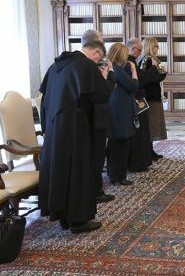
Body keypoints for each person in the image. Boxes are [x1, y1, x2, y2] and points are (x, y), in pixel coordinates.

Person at [39, 30, 111, 233]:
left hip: (54, 127)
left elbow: (45, 96)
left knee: (61, 170)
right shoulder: (85, 65)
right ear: (95, 52)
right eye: (99, 57)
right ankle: (79, 220)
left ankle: (62, 215)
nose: (99, 61)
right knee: (78, 171)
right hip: (75, 127)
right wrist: (104, 77)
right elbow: (101, 95)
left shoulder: (56, 65)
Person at [84, 31, 116, 204]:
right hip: (95, 117)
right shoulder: (89, 66)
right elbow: (105, 89)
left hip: (99, 115)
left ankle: (96, 188)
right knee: (96, 157)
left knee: (98, 155)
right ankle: (96, 191)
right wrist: (110, 73)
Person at [106, 43, 138, 186]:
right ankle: (118, 176)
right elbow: (133, 85)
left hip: (119, 107)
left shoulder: (114, 67)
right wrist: (134, 70)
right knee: (120, 143)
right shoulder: (117, 69)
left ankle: (116, 174)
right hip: (120, 109)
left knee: (118, 143)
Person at [126, 38, 157, 172]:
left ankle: (143, 160)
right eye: (139, 50)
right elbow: (139, 80)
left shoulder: (132, 61)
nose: (140, 52)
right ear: (132, 49)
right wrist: (154, 69)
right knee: (140, 132)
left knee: (143, 131)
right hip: (136, 99)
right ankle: (139, 162)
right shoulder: (129, 62)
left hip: (139, 98)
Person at [139, 38, 168, 159]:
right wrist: (163, 73)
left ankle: (150, 151)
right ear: (150, 47)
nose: (158, 48)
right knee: (151, 125)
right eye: (156, 46)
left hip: (151, 96)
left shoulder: (147, 59)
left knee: (152, 124)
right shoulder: (148, 60)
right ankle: (149, 152)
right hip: (150, 97)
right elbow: (150, 78)